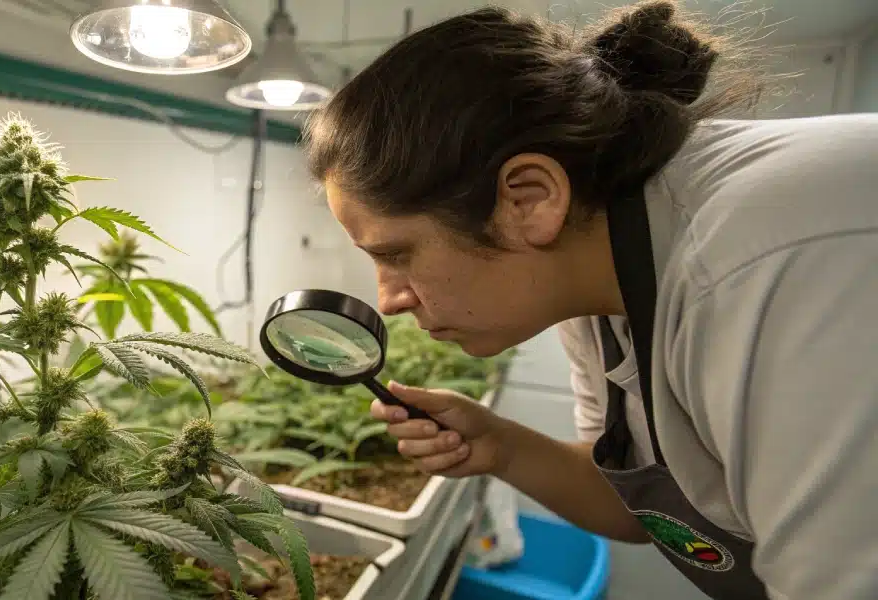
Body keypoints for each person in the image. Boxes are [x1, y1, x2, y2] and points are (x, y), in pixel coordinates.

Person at [301, 1, 878, 599]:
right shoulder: (595, 278)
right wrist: (499, 445)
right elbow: (640, 509)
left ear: (529, 200)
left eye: (396, 254)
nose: (388, 300)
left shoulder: (769, 261)